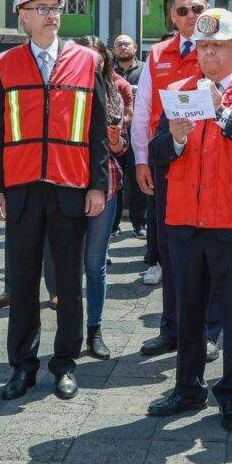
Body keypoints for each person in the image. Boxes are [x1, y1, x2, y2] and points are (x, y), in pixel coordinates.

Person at [146, 8, 232, 432]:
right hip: (186, 219)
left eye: (218, 47)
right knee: (187, 309)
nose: (210, 56)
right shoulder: (178, 89)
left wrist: (223, 114)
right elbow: (157, 151)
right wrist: (178, 137)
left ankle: (231, 395)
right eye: (204, 48)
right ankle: (187, 388)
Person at [0, 0, 109, 402]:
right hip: (20, 187)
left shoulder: (88, 60)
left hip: (70, 184)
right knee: (21, 282)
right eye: (41, 8)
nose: (51, 15)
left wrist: (99, 185)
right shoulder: (4, 64)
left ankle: (65, 362)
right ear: (22, 16)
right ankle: (22, 364)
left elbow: (98, 130)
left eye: (56, 7)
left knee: (69, 283)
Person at [132, 0, 223, 359]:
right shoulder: (157, 53)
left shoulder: (221, 49)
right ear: (172, 15)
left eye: (196, 8)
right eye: (182, 10)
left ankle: (208, 331)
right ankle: (171, 328)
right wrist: (141, 159)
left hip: (211, 163)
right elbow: (142, 110)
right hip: (168, 161)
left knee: (210, 249)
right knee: (170, 249)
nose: (189, 15)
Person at [76, 35, 129, 360]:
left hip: (104, 184)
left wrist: (113, 136)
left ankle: (94, 331)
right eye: (85, 56)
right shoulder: (63, 90)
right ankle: (70, 331)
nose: (92, 62)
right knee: (67, 265)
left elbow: (120, 147)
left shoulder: (114, 90)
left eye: (97, 57)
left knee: (95, 263)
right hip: (66, 183)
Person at [111, 33, 143, 238]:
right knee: (116, 178)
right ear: (113, 50)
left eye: (127, 44)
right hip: (113, 133)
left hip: (138, 131)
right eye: (119, 44)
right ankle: (113, 225)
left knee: (137, 176)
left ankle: (139, 223)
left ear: (136, 47)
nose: (123, 47)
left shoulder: (145, 70)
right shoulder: (108, 71)